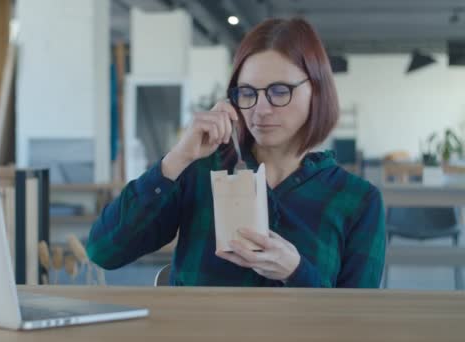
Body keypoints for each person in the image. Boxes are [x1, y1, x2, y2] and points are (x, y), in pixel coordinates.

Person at [86, 17, 385, 287]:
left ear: (317, 91)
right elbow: (104, 251)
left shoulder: (357, 200)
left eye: (279, 91)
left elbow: (355, 321)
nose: (260, 109)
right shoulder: (202, 170)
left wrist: (296, 271)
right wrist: (177, 158)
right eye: (247, 93)